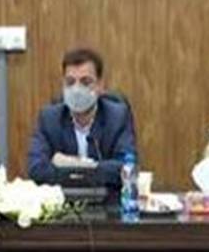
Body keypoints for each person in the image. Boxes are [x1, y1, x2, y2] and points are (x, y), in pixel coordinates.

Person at [26, 47, 137, 190]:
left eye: (86, 82)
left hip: (105, 200)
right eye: (70, 82)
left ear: (100, 85)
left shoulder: (117, 117)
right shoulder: (49, 119)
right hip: (62, 200)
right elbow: (36, 169)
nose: (77, 90)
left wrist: (78, 164)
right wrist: (95, 170)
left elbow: (127, 168)